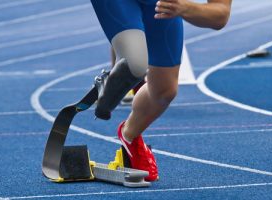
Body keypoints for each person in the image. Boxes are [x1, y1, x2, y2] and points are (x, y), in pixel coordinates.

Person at [91, 0, 232, 181]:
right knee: (136, 63)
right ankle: (118, 75)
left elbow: (220, 15)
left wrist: (184, 8)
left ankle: (129, 135)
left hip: (161, 5)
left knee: (165, 92)